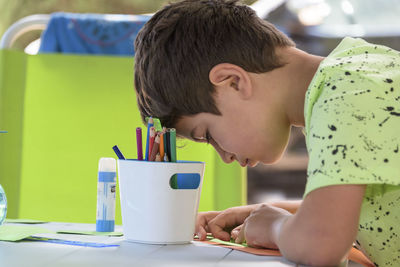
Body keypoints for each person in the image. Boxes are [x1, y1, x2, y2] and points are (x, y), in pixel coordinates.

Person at [133, 0, 400, 266]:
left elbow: (321, 244)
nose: (224, 157)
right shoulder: (363, 68)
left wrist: (276, 227)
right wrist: (266, 215)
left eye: (208, 135)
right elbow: (367, 203)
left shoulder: (345, 99)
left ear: (233, 82)